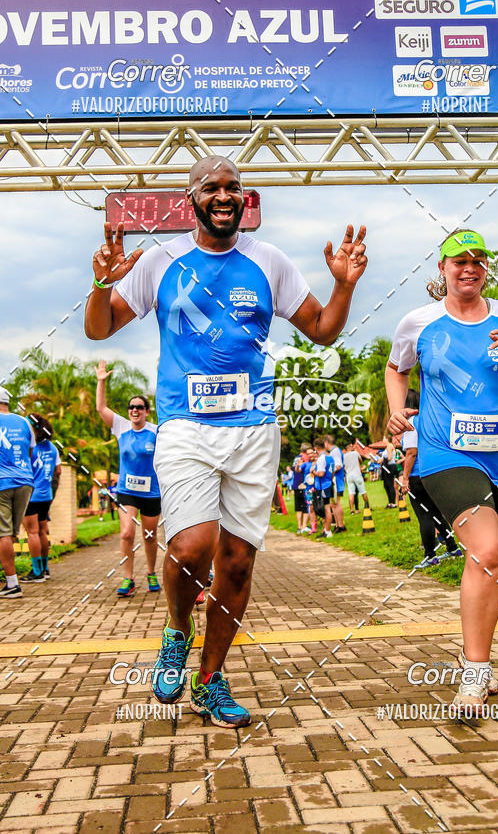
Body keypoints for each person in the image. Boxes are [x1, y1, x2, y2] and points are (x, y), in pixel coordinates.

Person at [84, 155, 367, 727]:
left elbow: (321, 329)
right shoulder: (160, 262)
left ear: (244, 199)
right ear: (191, 199)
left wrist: (343, 286)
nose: (223, 195)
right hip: (185, 426)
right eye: (211, 187)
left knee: (236, 565)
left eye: (233, 187)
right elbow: (99, 327)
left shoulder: (269, 261)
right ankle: (176, 629)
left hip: (254, 431)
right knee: (192, 548)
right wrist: (101, 283)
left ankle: (209, 680)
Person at [386, 229, 498, 716]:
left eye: (477, 260)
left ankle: (474, 654)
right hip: (445, 453)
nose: (469, 268)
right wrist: (397, 411)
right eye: (458, 261)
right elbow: (397, 368)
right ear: (442, 269)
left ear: (485, 269)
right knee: (486, 550)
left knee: (495, 562)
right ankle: (474, 675)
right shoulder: (419, 322)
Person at [95, 361, 161, 597]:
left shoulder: (156, 431)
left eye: (139, 407)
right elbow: (101, 408)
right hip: (127, 492)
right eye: (131, 407)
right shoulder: (121, 427)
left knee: (150, 536)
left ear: (146, 411)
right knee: (126, 534)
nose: (135, 410)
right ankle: (128, 578)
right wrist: (101, 381)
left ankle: (151, 572)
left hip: (151, 492)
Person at [400, 390, 461, 567]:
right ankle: (452, 547)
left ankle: (430, 555)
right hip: (432, 471)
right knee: (435, 513)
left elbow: (411, 452)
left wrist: (405, 479)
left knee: (424, 515)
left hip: (416, 475)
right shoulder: (429, 419)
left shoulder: (411, 422)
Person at [0, 386, 34, 599]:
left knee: (2, 533)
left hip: (2, 483)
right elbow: (30, 451)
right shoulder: (24, 422)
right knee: (11, 533)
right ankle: (10, 575)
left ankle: (12, 584)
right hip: (25, 481)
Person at [21, 414, 61, 583]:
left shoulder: (30, 447)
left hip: (31, 495)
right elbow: (58, 471)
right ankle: (45, 569)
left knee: (32, 532)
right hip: (46, 495)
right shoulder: (52, 448)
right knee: (42, 531)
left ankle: (36, 572)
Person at [313, 437, 335, 538]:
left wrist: (313, 471)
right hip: (329, 484)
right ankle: (326, 530)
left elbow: (321, 473)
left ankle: (327, 531)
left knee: (326, 509)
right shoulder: (330, 457)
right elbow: (332, 472)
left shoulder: (321, 458)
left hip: (323, 486)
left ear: (316, 448)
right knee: (326, 508)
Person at [325, 434, 346, 531]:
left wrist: (328, 472)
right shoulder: (334, 451)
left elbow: (338, 466)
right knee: (333, 504)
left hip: (336, 480)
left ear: (326, 443)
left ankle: (341, 525)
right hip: (335, 480)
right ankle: (338, 525)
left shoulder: (335, 451)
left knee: (336, 503)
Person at [343, 443, 369, 514]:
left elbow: (344, 467)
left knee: (351, 493)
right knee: (363, 492)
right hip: (357, 474)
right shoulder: (355, 453)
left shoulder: (344, 456)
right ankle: (368, 507)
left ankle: (352, 510)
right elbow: (361, 460)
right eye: (351, 446)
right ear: (348, 448)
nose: (352, 447)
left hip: (349, 475)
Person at [292, 444, 311, 534]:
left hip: (296, 485)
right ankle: (304, 526)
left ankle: (299, 527)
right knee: (306, 506)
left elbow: (294, 470)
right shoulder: (304, 459)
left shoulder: (296, 458)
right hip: (303, 485)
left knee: (298, 507)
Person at [380, 436, 400, 508]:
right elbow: (382, 459)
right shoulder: (387, 447)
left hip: (390, 466)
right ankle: (390, 502)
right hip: (387, 466)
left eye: (383, 438)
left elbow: (390, 457)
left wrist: (383, 461)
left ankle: (393, 503)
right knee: (386, 485)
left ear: (387, 439)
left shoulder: (389, 446)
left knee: (390, 484)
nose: (383, 440)